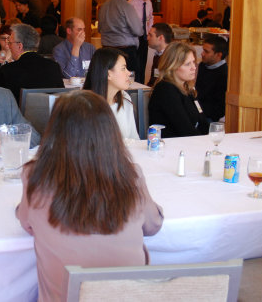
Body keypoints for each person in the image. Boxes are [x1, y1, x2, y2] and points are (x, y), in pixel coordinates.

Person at [16, 90, 163, 302]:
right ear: (110, 133)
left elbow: (27, 224)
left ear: (54, 132)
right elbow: (154, 226)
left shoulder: (35, 176)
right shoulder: (130, 175)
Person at [148, 42, 209, 138]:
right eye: (187, 64)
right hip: (172, 148)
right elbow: (185, 129)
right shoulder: (165, 90)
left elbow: (202, 121)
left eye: (194, 62)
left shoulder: (188, 87)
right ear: (173, 66)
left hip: (190, 143)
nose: (193, 67)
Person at [0, 24, 64, 102]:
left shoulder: (7, 70)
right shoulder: (54, 67)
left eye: (10, 43)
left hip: (18, 114)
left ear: (20, 46)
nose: (9, 47)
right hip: (49, 113)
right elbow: (61, 99)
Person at [83, 48, 139, 140]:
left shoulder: (125, 98)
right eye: (123, 68)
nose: (129, 73)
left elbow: (134, 139)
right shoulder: (83, 105)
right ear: (108, 74)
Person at [98, 0, 144, 82]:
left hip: (107, 50)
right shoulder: (126, 6)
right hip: (125, 51)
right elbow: (138, 30)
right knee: (130, 82)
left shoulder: (103, 6)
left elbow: (100, 29)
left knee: (110, 81)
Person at [195, 35, 228, 122]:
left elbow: (219, 109)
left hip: (209, 117)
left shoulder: (224, 74)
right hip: (197, 110)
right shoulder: (203, 65)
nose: (202, 53)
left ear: (218, 55)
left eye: (206, 51)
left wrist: (197, 110)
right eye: (203, 50)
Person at [128, 0, 154, 79]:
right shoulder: (131, 3)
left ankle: (142, 86)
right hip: (133, 39)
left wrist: (149, 32)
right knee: (134, 65)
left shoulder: (149, 3)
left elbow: (151, 18)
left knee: (143, 64)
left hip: (144, 38)